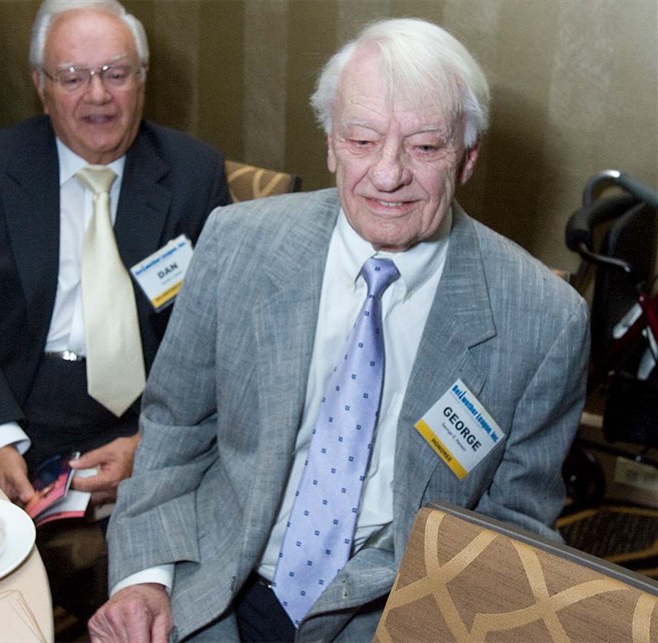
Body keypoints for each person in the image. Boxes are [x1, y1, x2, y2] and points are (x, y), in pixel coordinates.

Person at [90, 17, 590, 643]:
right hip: (217, 577)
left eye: (425, 147)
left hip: (394, 608)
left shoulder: (544, 320)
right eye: (362, 140)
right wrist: (144, 577)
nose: (387, 175)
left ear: (466, 158)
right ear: (330, 143)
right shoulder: (236, 244)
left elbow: (512, 530)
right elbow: (175, 429)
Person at [0, 0, 229, 622]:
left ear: (142, 78)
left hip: (145, 407)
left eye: (116, 72)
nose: (97, 95)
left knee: (176, 594)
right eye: (73, 76)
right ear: (41, 87)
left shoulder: (193, 174)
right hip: (10, 394)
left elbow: (220, 337)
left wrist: (149, 444)